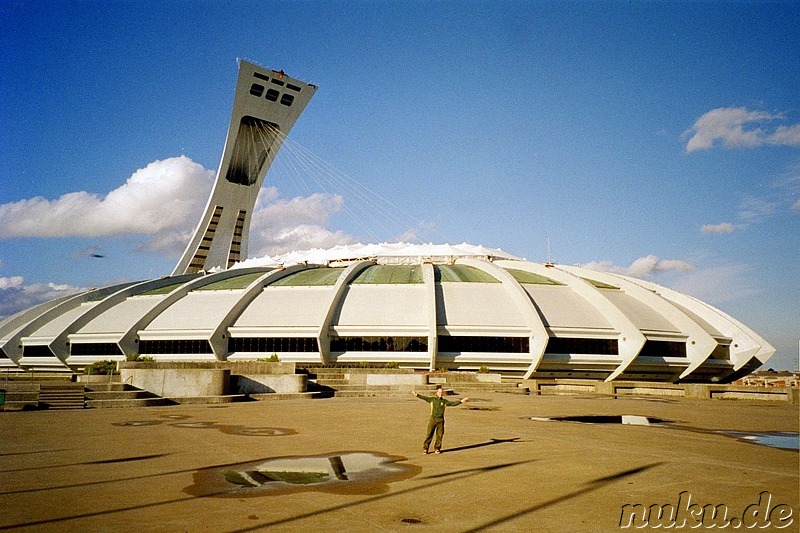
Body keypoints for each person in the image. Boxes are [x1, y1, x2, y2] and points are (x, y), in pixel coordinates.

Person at [412, 385, 468, 454]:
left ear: (443, 394)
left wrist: (461, 401)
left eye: (441, 392)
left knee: (439, 435)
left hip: (440, 420)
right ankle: (425, 448)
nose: (440, 393)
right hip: (433, 419)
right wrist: (416, 395)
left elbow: (452, 404)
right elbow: (424, 398)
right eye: (439, 392)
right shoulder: (432, 400)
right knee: (429, 434)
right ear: (437, 393)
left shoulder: (444, 401)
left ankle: (437, 448)